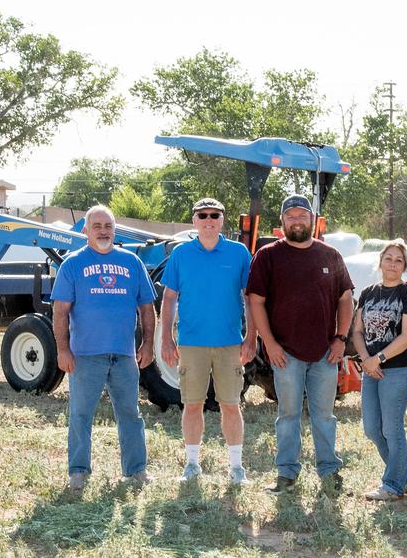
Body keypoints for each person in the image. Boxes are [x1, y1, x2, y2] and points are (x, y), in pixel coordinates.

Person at [247, 194, 354, 495]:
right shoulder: (268, 256)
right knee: (288, 416)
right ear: (281, 222)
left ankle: (329, 472)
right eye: (290, 215)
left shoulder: (330, 256)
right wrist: (269, 344)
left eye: (301, 215)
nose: (296, 220)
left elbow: (345, 298)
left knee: (324, 416)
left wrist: (341, 340)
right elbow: (256, 301)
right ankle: (287, 474)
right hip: (286, 354)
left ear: (313, 220)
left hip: (325, 354)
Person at [52, 205, 157, 492]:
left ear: (114, 230)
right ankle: (78, 472)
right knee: (81, 414)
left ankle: (136, 471)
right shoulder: (72, 264)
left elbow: (147, 308)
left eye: (108, 226)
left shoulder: (132, 262)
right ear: (85, 231)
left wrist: (148, 344)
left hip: (123, 355)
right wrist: (63, 349)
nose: (103, 231)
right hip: (85, 355)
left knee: (130, 414)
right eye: (96, 226)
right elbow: (60, 312)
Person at [160, 198, 256, 485]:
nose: (208, 220)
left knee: (230, 404)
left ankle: (237, 468)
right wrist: (166, 338)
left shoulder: (239, 253)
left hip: (229, 344)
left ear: (222, 220)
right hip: (191, 344)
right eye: (202, 215)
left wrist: (251, 337)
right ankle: (192, 465)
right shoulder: (181, 255)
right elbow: (168, 298)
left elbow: (249, 298)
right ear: (194, 221)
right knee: (192, 404)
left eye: (214, 215)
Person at [352, 242, 407, 501]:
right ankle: (405, 475)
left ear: (404, 266)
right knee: (372, 428)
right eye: (388, 258)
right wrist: (365, 359)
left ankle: (393, 485)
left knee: (391, 428)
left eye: (398, 260)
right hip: (371, 369)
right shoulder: (368, 293)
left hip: (400, 369)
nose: (392, 264)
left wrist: (378, 359)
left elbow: (406, 337)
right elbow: (357, 331)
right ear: (380, 261)